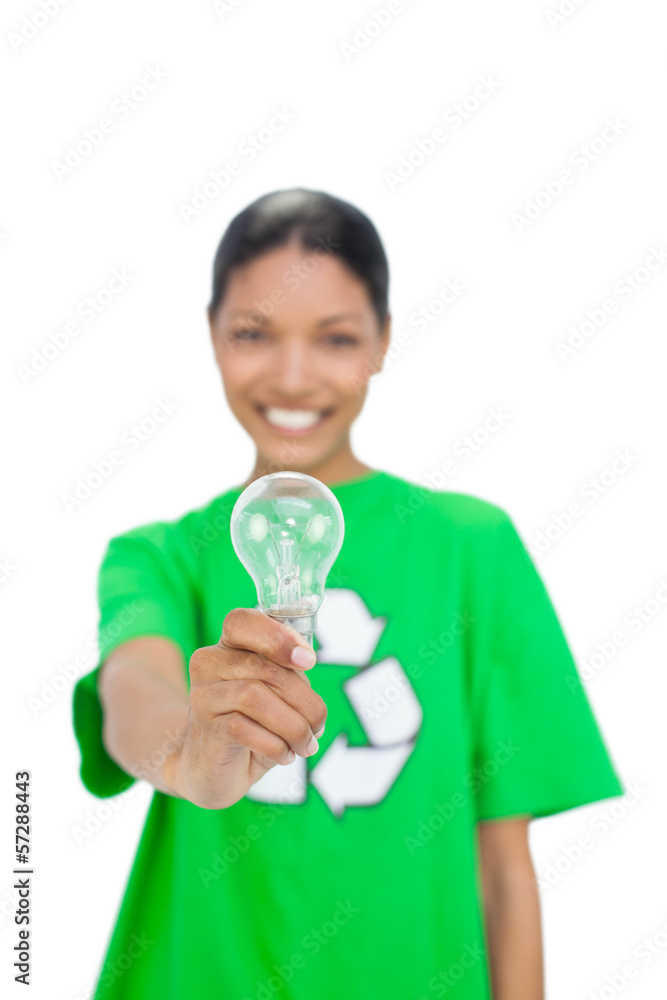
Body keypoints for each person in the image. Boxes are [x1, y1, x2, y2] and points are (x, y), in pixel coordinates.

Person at [72, 187, 624, 1000]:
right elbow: (134, 696)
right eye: (254, 333)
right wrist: (192, 752)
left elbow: (503, 867)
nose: (293, 376)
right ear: (213, 334)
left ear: (382, 340)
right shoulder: (159, 556)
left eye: (334, 338)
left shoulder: (472, 548)